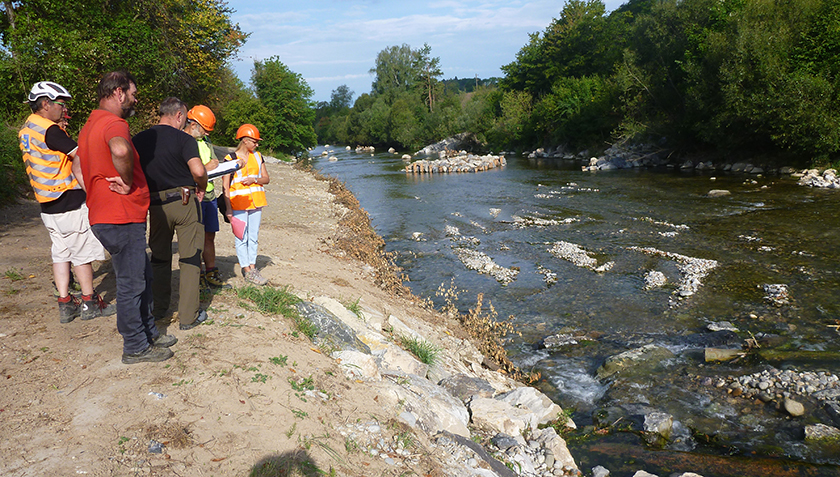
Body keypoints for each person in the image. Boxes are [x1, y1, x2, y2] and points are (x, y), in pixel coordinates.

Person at [77, 71, 176, 364]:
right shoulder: (113, 123)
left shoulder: (89, 125)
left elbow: (77, 166)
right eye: (133, 94)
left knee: (141, 276)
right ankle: (135, 346)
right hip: (121, 215)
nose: (135, 99)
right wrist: (127, 180)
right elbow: (120, 149)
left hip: (107, 213)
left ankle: (148, 333)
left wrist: (94, 190)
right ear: (119, 93)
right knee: (133, 283)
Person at [18, 81, 116, 323]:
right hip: (68, 199)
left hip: (47, 203)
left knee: (60, 252)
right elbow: (81, 155)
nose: (64, 110)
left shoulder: (26, 129)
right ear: (45, 104)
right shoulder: (50, 130)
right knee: (82, 253)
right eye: (61, 104)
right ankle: (89, 302)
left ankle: (65, 303)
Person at [134, 98, 209, 330]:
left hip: (155, 204)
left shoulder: (139, 139)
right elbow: (197, 170)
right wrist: (203, 185)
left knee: (159, 257)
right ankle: (188, 317)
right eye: (185, 118)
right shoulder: (184, 139)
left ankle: (159, 308)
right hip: (185, 201)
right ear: (178, 116)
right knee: (189, 258)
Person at [183, 105, 229, 290]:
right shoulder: (184, 140)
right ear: (193, 124)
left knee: (209, 235)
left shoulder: (205, 141)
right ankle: (198, 275)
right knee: (195, 237)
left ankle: (211, 272)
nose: (205, 134)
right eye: (204, 129)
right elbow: (183, 168)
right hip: (194, 195)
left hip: (208, 194)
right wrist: (206, 167)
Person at [222, 124, 270, 285]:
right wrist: (228, 208)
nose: (257, 144)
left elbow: (266, 178)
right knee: (241, 236)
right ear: (245, 140)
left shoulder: (258, 156)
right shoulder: (230, 159)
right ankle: (246, 269)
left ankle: (252, 266)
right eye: (254, 141)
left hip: (256, 202)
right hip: (238, 203)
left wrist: (254, 179)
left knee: (253, 236)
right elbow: (225, 185)